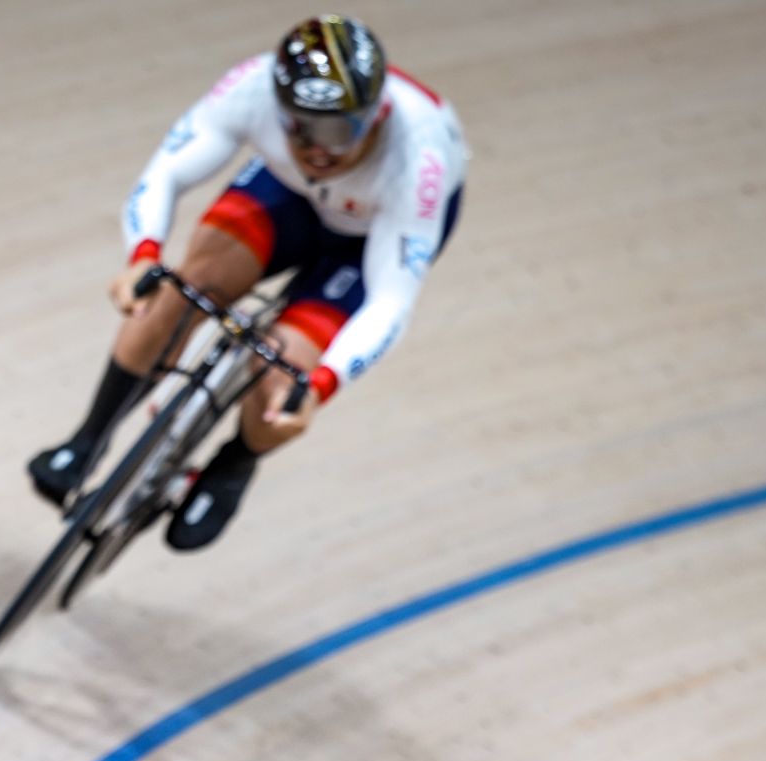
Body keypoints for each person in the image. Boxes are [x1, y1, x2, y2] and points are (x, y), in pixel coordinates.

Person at [28, 14, 466, 549]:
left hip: (371, 236)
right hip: (289, 196)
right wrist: (143, 256)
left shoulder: (418, 158)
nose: (318, 149)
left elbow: (391, 299)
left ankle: (233, 466)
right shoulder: (251, 88)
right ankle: (88, 440)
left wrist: (322, 383)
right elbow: (166, 172)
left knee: (281, 378)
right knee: (179, 288)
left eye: (336, 130)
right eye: (299, 126)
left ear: (375, 117)